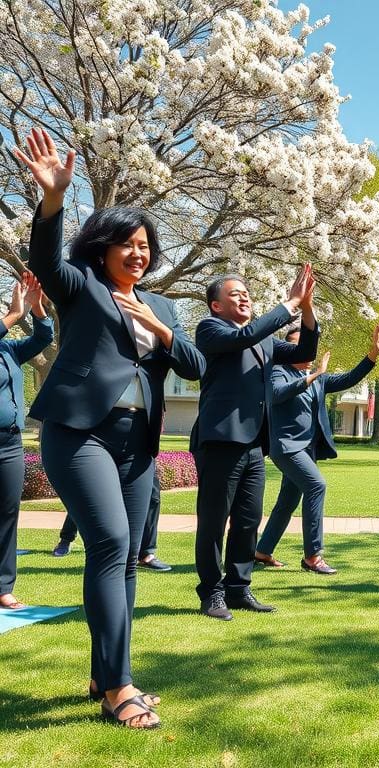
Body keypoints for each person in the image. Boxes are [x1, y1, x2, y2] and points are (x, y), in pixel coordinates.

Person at [15, 127, 206, 728]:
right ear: (102, 249)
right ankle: (120, 687)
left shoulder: (163, 306)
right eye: (126, 244)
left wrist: (159, 325)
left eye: (145, 245)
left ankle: (105, 672)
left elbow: (196, 366)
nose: (137, 253)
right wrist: (52, 200)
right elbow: (46, 263)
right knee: (111, 544)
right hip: (80, 435)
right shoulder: (83, 285)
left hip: (136, 444)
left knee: (123, 560)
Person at [191, 269, 318, 620]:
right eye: (235, 294)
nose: (244, 296)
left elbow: (304, 350)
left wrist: (306, 308)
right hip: (220, 441)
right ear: (216, 305)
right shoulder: (210, 329)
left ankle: (238, 588)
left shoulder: (264, 341)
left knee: (248, 520)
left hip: (254, 444)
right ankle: (211, 592)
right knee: (214, 522)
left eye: (246, 292)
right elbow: (244, 337)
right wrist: (290, 303)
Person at [255, 325, 379, 573]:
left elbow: (348, 379)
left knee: (287, 501)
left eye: (306, 344)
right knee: (316, 485)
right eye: (296, 345)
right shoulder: (279, 371)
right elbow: (277, 394)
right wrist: (313, 375)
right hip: (286, 447)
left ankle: (262, 551)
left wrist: (372, 356)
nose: (304, 349)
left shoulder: (318, 379)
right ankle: (312, 556)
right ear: (286, 349)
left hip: (306, 450)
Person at [1, 272, 53, 610]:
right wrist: (14, 314)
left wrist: (36, 308)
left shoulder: (7, 348)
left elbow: (43, 337)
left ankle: (3, 586)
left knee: (7, 514)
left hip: (9, 444)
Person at [53, 472, 170, 571]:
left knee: (152, 497)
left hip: (141, 455)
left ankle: (146, 554)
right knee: (88, 494)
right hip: (108, 453)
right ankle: (66, 539)